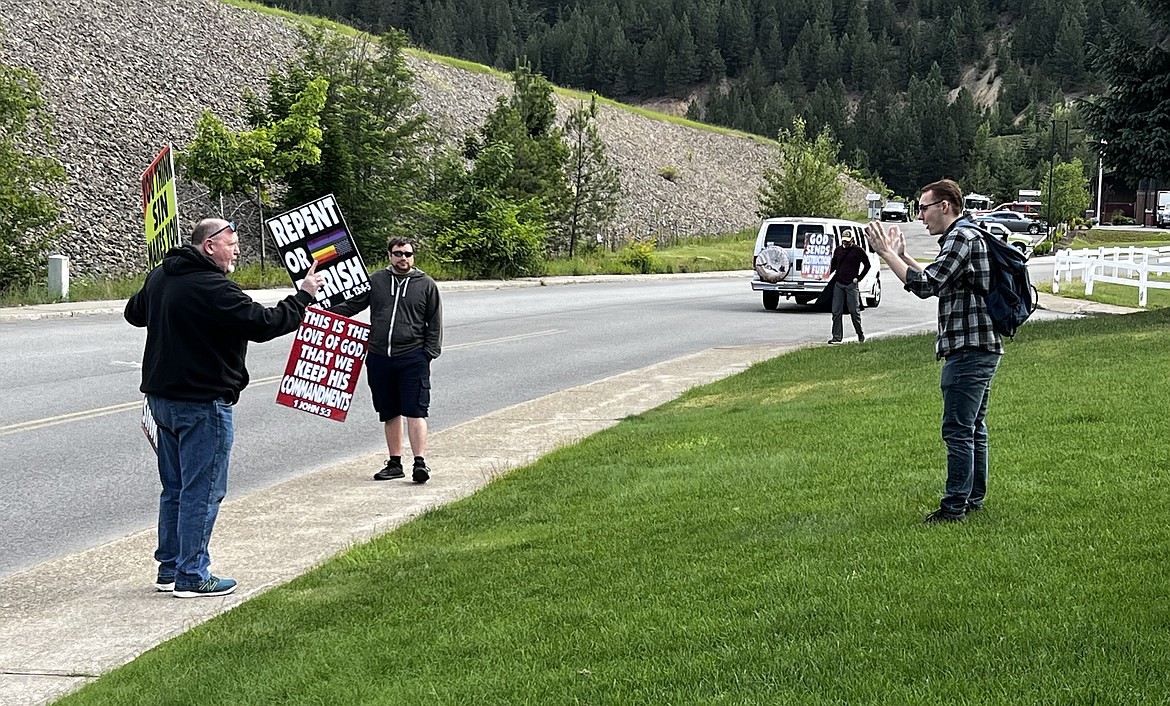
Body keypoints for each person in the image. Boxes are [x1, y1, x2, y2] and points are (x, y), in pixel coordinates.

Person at [125, 218, 323, 597]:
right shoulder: (215, 288)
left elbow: (135, 313)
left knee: (176, 489)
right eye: (231, 244)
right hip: (202, 404)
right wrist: (304, 296)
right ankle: (192, 575)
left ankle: (169, 569)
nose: (237, 251)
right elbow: (265, 324)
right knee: (203, 490)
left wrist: (158, 289)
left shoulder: (162, 276)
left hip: (162, 402)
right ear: (209, 245)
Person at [864, 179, 1003, 524]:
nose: (920, 215)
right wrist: (901, 255)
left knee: (958, 430)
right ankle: (973, 498)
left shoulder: (959, 237)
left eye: (924, 208)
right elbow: (941, 277)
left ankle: (955, 507)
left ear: (945, 206)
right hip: (983, 346)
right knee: (973, 427)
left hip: (968, 349)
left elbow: (927, 286)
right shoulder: (970, 234)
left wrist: (885, 254)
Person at [331, 236, 442, 484]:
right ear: (389, 255)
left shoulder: (426, 284)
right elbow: (352, 306)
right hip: (380, 356)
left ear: (413, 256)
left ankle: (420, 463)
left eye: (408, 254)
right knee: (389, 411)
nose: (403, 258)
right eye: (398, 253)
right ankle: (394, 463)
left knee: (415, 410)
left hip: (412, 357)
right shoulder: (376, 281)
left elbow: (434, 324)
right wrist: (319, 311)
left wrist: (428, 354)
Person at [826, 232, 871, 344]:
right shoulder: (838, 250)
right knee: (836, 311)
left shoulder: (858, 251)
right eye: (844, 240)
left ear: (852, 240)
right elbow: (833, 266)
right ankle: (836, 337)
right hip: (839, 284)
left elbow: (867, 265)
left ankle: (860, 334)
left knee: (854, 311)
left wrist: (859, 278)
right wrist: (824, 275)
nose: (845, 242)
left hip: (851, 285)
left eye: (847, 240)